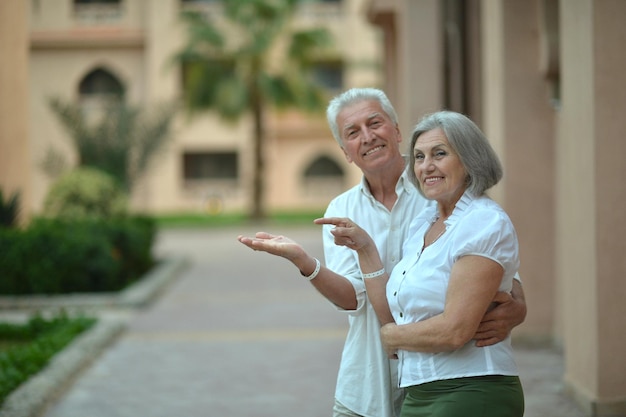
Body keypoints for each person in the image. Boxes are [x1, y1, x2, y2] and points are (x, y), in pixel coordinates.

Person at [237, 88, 526, 417]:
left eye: (375, 123)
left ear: (397, 130)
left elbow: (501, 278)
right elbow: (353, 297)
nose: (368, 137)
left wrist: (518, 309)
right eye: (353, 132)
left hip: (452, 377)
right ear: (345, 151)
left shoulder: (439, 197)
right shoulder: (345, 208)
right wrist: (305, 262)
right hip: (369, 381)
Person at [320, 110, 524, 416]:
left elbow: (455, 331)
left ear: (469, 160)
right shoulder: (425, 224)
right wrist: (364, 249)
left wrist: (392, 336)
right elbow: (396, 308)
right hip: (419, 392)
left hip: (469, 388)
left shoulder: (483, 221)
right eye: (419, 157)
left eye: (439, 154)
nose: (426, 166)